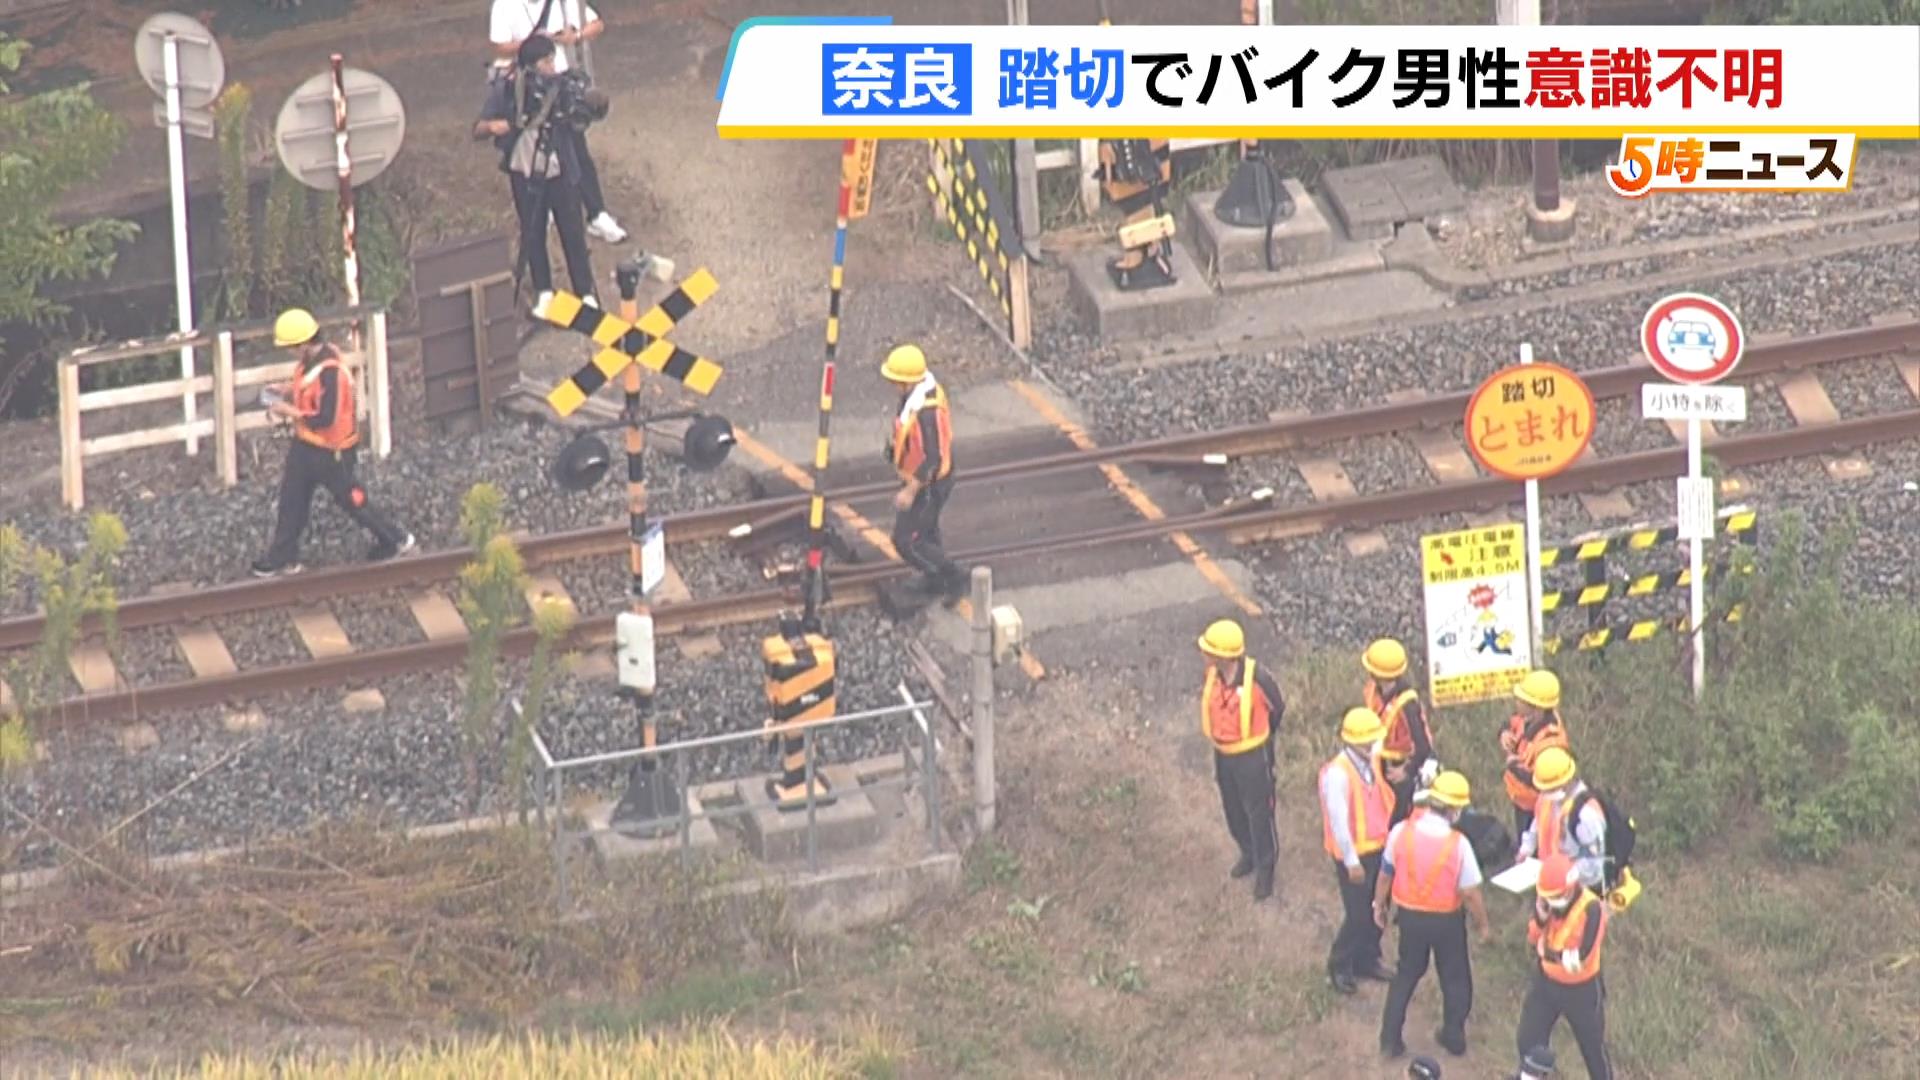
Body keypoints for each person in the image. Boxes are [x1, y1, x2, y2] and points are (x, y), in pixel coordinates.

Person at [251, 310, 414, 577]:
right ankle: (282, 556)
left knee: (352, 500)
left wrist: (288, 411)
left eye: (292, 347)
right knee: (292, 500)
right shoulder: (311, 363)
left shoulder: (332, 372)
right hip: (306, 446)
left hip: (332, 451)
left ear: (304, 343)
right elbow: (309, 390)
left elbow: (325, 417)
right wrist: (287, 390)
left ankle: (395, 539)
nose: (291, 353)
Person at [475, 34, 598, 317]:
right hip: (524, 170)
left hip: (560, 168)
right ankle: (544, 291)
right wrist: (497, 126)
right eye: (546, 61)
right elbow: (479, 128)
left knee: (573, 231)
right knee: (533, 232)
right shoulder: (506, 89)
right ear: (530, 65)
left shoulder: (563, 86)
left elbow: (582, 116)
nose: (552, 66)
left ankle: (585, 292)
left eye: (553, 60)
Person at [1375, 771, 1493, 1061]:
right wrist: (1484, 926)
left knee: (1406, 974)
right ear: (1454, 810)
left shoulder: (1401, 832)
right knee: (1454, 976)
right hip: (1447, 922)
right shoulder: (1459, 844)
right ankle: (1453, 1036)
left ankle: (1390, 1039)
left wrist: (1379, 906)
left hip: (1410, 918)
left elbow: (1385, 875)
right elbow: (1471, 893)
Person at [488, 0, 626, 243]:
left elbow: (597, 25)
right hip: (527, 85)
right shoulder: (504, 5)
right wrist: (534, 45)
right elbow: (499, 47)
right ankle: (547, 208)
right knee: (535, 150)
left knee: (576, 147)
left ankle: (596, 212)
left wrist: (576, 35)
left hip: (559, 83)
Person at [1197, 619, 1287, 902]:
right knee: (1232, 807)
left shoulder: (1258, 678)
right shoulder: (1213, 674)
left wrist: (1263, 739)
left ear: (1226, 655)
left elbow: (1277, 707)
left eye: (1210, 650)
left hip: (1252, 757)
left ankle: (1265, 866)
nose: (1205, 654)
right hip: (1224, 754)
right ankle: (1248, 852)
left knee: (1259, 812)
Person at [1320, 706, 1398, 994]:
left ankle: (1367, 958)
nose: (1372, 745)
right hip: (1353, 855)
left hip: (1379, 848)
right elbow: (1339, 822)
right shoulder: (1338, 775)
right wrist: (1352, 861)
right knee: (1357, 914)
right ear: (1352, 742)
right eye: (1367, 741)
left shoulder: (1371, 758)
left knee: (1379, 906)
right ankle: (1340, 964)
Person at [881, 344, 967, 603]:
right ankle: (935, 578)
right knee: (927, 532)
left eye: (896, 381)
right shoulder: (914, 398)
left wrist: (910, 490)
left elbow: (933, 457)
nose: (893, 386)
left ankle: (952, 577)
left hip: (930, 484)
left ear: (907, 382)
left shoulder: (927, 411)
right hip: (924, 479)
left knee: (907, 541)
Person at [1516, 855, 1613, 1080]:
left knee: (1593, 1050)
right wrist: (1540, 919)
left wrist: (1547, 953)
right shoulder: (1546, 901)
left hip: (1582, 991)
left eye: (1555, 897)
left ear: (1570, 890)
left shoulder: (1592, 909)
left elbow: (1580, 959)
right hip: (1546, 983)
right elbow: (1533, 938)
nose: (1551, 901)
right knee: (1527, 1040)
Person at [1362, 638, 1437, 826]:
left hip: (1397, 770)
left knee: (1397, 822)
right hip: (1377, 763)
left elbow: (1423, 747)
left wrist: (1406, 771)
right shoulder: (1373, 690)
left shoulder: (1408, 704)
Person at [1517, 747, 1608, 893]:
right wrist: (1526, 848)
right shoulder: (1547, 797)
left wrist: (1565, 875)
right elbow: (1538, 822)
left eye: (1550, 788)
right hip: (1550, 878)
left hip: (1579, 888)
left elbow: (1594, 865)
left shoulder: (1586, 815)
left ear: (1566, 782)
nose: (1545, 792)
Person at [1501, 670, 1572, 836]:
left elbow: (1540, 781)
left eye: (1522, 700)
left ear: (1536, 707)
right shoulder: (1526, 719)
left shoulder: (1551, 741)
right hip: (1521, 802)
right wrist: (1504, 733)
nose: (1517, 702)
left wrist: (1513, 764)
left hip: (1536, 809)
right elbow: (1508, 723)